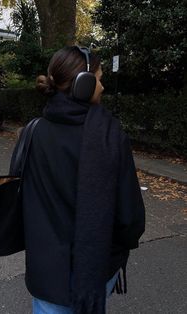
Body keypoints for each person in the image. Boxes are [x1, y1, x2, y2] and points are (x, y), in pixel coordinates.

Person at [9, 46, 145, 314]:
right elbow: (129, 218)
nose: (103, 86)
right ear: (83, 83)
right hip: (96, 270)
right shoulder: (111, 136)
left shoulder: (32, 132)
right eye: (99, 78)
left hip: (46, 272)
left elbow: (20, 196)